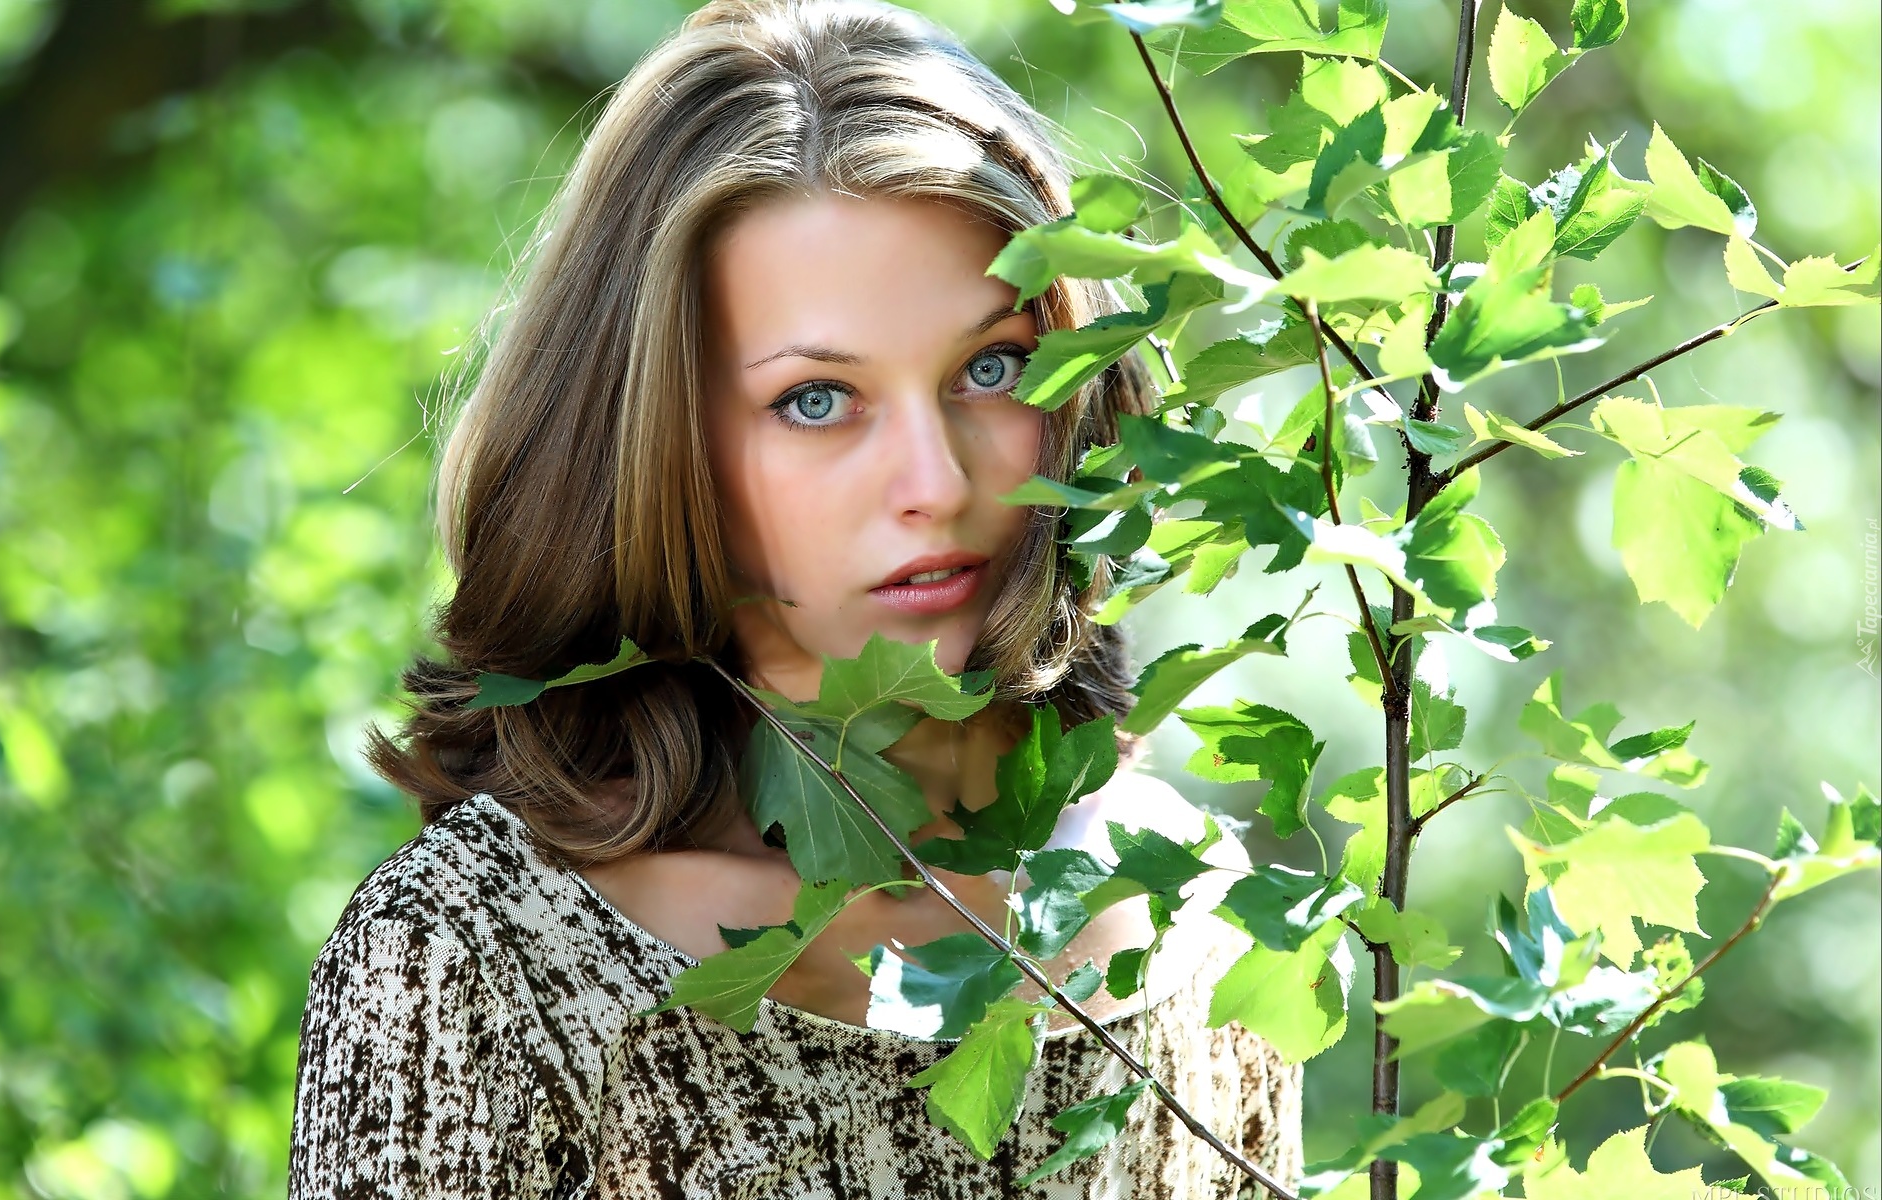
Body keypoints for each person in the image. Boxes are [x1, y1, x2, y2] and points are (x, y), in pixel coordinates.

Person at [287, 1, 1302, 1195]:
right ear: (655, 445)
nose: (936, 484)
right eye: (817, 400)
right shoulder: (478, 954)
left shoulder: (1199, 910)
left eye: (992, 368)